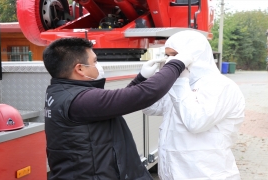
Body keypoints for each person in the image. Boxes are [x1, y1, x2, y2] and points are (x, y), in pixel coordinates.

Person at [43, 37, 193, 179]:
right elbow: (144, 94)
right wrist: (176, 64)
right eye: (95, 61)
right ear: (80, 69)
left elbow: (117, 104)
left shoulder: (61, 92)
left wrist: (141, 77)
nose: (98, 65)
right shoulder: (79, 99)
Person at [143, 30, 245, 180]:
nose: (168, 60)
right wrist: (146, 80)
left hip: (208, 175)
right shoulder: (181, 84)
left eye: (174, 55)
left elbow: (195, 122)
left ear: (193, 55)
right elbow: (149, 108)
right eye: (167, 55)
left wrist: (179, 80)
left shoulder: (221, 86)